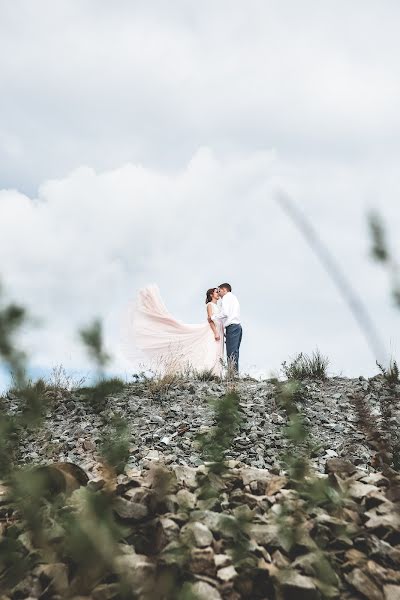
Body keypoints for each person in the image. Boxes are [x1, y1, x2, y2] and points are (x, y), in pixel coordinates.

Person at [120, 284, 224, 376]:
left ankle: (216, 373)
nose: (218, 293)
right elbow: (210, 319)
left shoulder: (217, 306)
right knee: (211, 349)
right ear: (211, 294)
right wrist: (215, 332)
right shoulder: (210, 305)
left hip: (219, 330)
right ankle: (210, 372)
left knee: (217, 350)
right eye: (216, 292)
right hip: (212, 331)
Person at [212, 283, 242, 373]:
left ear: (224, 290)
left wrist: (213, 317)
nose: (219, 293)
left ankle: (232, 374)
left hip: (232, 327)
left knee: (231, 352)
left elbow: (225, 313)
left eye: (219, 290)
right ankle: (234, 374)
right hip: (237, 327)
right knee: (235, 352)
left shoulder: (226, 298)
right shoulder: (233, 298)